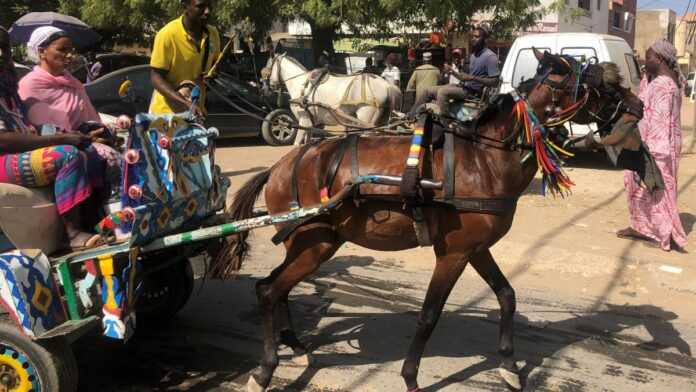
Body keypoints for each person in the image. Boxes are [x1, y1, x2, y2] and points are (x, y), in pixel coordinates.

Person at [0, 26, 104, 250]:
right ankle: (72, 234)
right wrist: (61, 141)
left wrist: (69, 134)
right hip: (3, 160)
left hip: (18, 153)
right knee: (66, 155)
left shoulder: (7, 90)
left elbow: (30, 129)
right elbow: (4, 140)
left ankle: (97, 222)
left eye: (4, 48)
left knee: (89, 151)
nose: (1, 54)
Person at [18, 27, 125, 192]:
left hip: (85, 139)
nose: (70, 56)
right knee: (111, 160)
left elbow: (88, 117)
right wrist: (85, 139)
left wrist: (103, 132)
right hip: (57, 147)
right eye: (62, 50)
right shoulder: (30, 85)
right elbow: (41, 131)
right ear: (41, 52)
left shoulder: (71, 81)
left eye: (71, 51)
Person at [616, 39, 687, 252]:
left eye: (649, 58)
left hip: (655, 147)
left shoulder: (664, 86)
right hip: (651, 144)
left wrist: (653, 153)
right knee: (636, 186)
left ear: (661, 59)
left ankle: (662, 233)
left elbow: (661, 121)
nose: (645, 62)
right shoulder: (663, 81)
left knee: (655, 189)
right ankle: (641, 227)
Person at [149, 0, 221, 115]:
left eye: (209, 6)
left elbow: (214, 64)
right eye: (200, 6)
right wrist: (185, 103)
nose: (207, 11)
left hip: (195, 113)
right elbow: (156, 78)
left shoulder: (213, 34)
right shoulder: (167, 35)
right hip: (166, 117)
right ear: (185, 6)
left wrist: (212, 75)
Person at [410, 26, 499, 116]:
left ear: (485, 40)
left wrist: (473, 77)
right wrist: (452, 71)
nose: (473, 39)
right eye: (472, 37)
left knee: (442, 92)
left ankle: (444, 122)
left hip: (473, 92)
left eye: (476, 37)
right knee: (428, 90)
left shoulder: (490, 57)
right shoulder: (473, 55)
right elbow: (464, 78)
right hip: (463, 87)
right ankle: (410, 116)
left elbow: (495, 81)